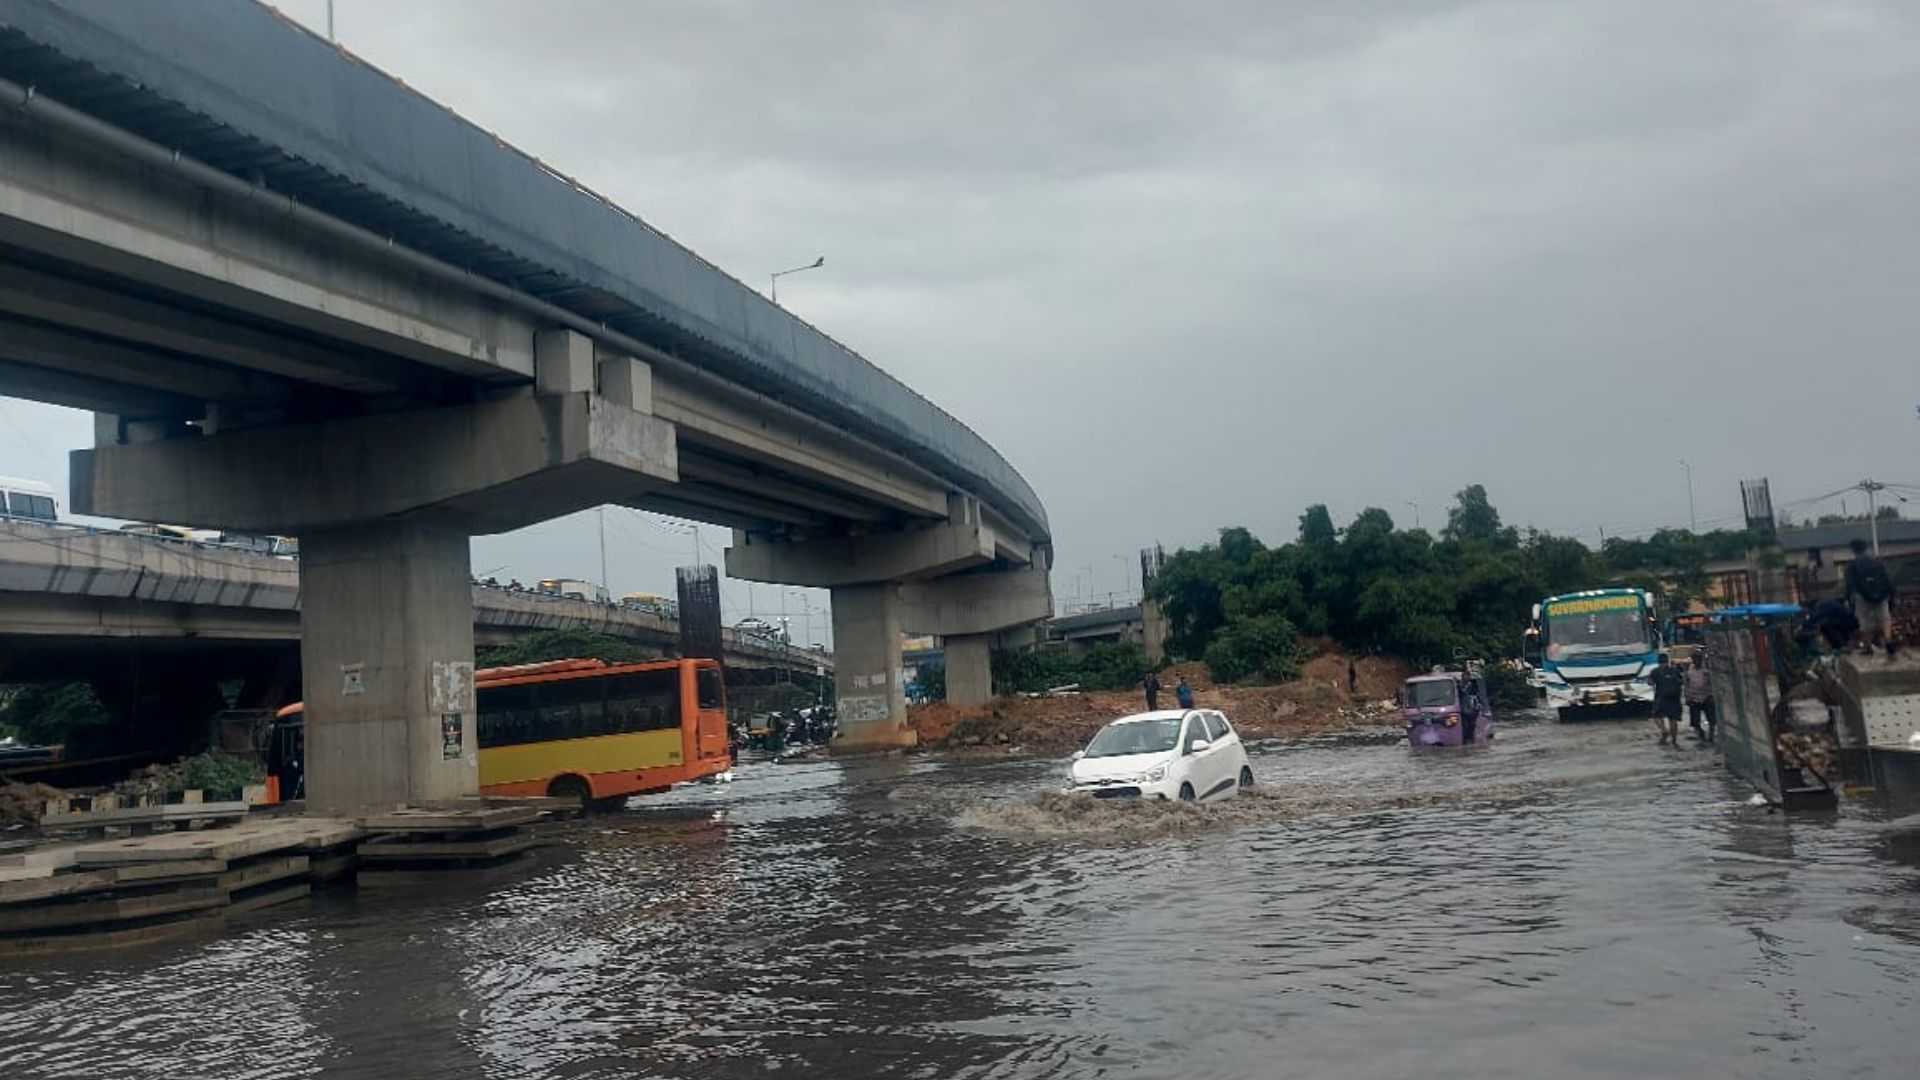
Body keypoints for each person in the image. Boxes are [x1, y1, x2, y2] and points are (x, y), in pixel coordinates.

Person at [1844, 538, 1898, 655]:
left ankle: (1867, 647)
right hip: (1881, 596)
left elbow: (1850, 584)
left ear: (1853, 550)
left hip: (1862, 597)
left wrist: (1848, 598)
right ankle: (1888, 640)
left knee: (1864, 622)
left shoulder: (1852, 565)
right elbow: (1886, 579)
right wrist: (1891, 593)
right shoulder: (1877, 561)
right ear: (1865, 548)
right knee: (1885, 618)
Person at [1648, 652, 1685, 746]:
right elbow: (1682, 682)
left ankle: (1664, 730)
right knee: (1673, 719)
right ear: (1668, 661)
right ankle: (1674, 741)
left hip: (1661, 697)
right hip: (1675, 698)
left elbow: (1650, 682)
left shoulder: (1655, 671)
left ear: (1659, 661)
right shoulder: (1675, 670)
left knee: (1656, 716)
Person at [1683, 656, 1715, 743]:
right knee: (1695, 721)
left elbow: (1712, 681)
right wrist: (1687, 697)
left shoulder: (1707, 670)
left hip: (1707, 696)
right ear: (1693, 660)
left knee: (1712, 719)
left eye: (1699, 659)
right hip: (1693, 698)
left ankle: (1711, 735)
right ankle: (1701, 733)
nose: (1697, 661)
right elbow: (1686, 685)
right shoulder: (1689, 671)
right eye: (1695, 659)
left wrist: (1712, 694)